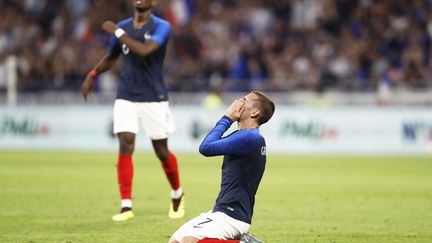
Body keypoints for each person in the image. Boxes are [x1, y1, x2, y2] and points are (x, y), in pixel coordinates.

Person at [81, 0, 185, 221]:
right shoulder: (124, 26)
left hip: (154, 96)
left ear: (153, 3)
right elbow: (111, 57)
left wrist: (117, 31)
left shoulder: (161, 27)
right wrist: (93, 74)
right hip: (126, 94)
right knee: (126, 142)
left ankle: (177, 193)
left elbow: (146, 51)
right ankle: (126, 206)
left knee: (161, 151)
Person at [169, 91, 275, 243]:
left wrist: (227, 119)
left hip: (232, 216)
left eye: (244, 100)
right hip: (221, 211)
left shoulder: (250, 137)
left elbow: (205, 148)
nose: (237, 102)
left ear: (255, 112)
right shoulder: (245, 135)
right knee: (175, 241)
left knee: (189, 241)